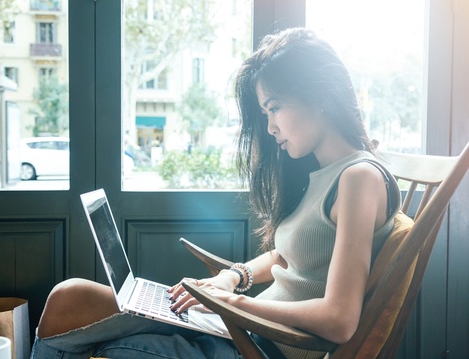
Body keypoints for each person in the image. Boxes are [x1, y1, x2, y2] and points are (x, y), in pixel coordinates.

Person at [30, 27, 400, 359]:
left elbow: (339, 320)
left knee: (89, 339)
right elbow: (292, 257)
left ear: (318, 95)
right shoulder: (322, 172)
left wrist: (231, 304)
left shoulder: (359, 178)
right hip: (237, 329)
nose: (270, 127)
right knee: (69, 296)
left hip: (255, 344)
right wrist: (232, 278)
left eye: (274, 108)